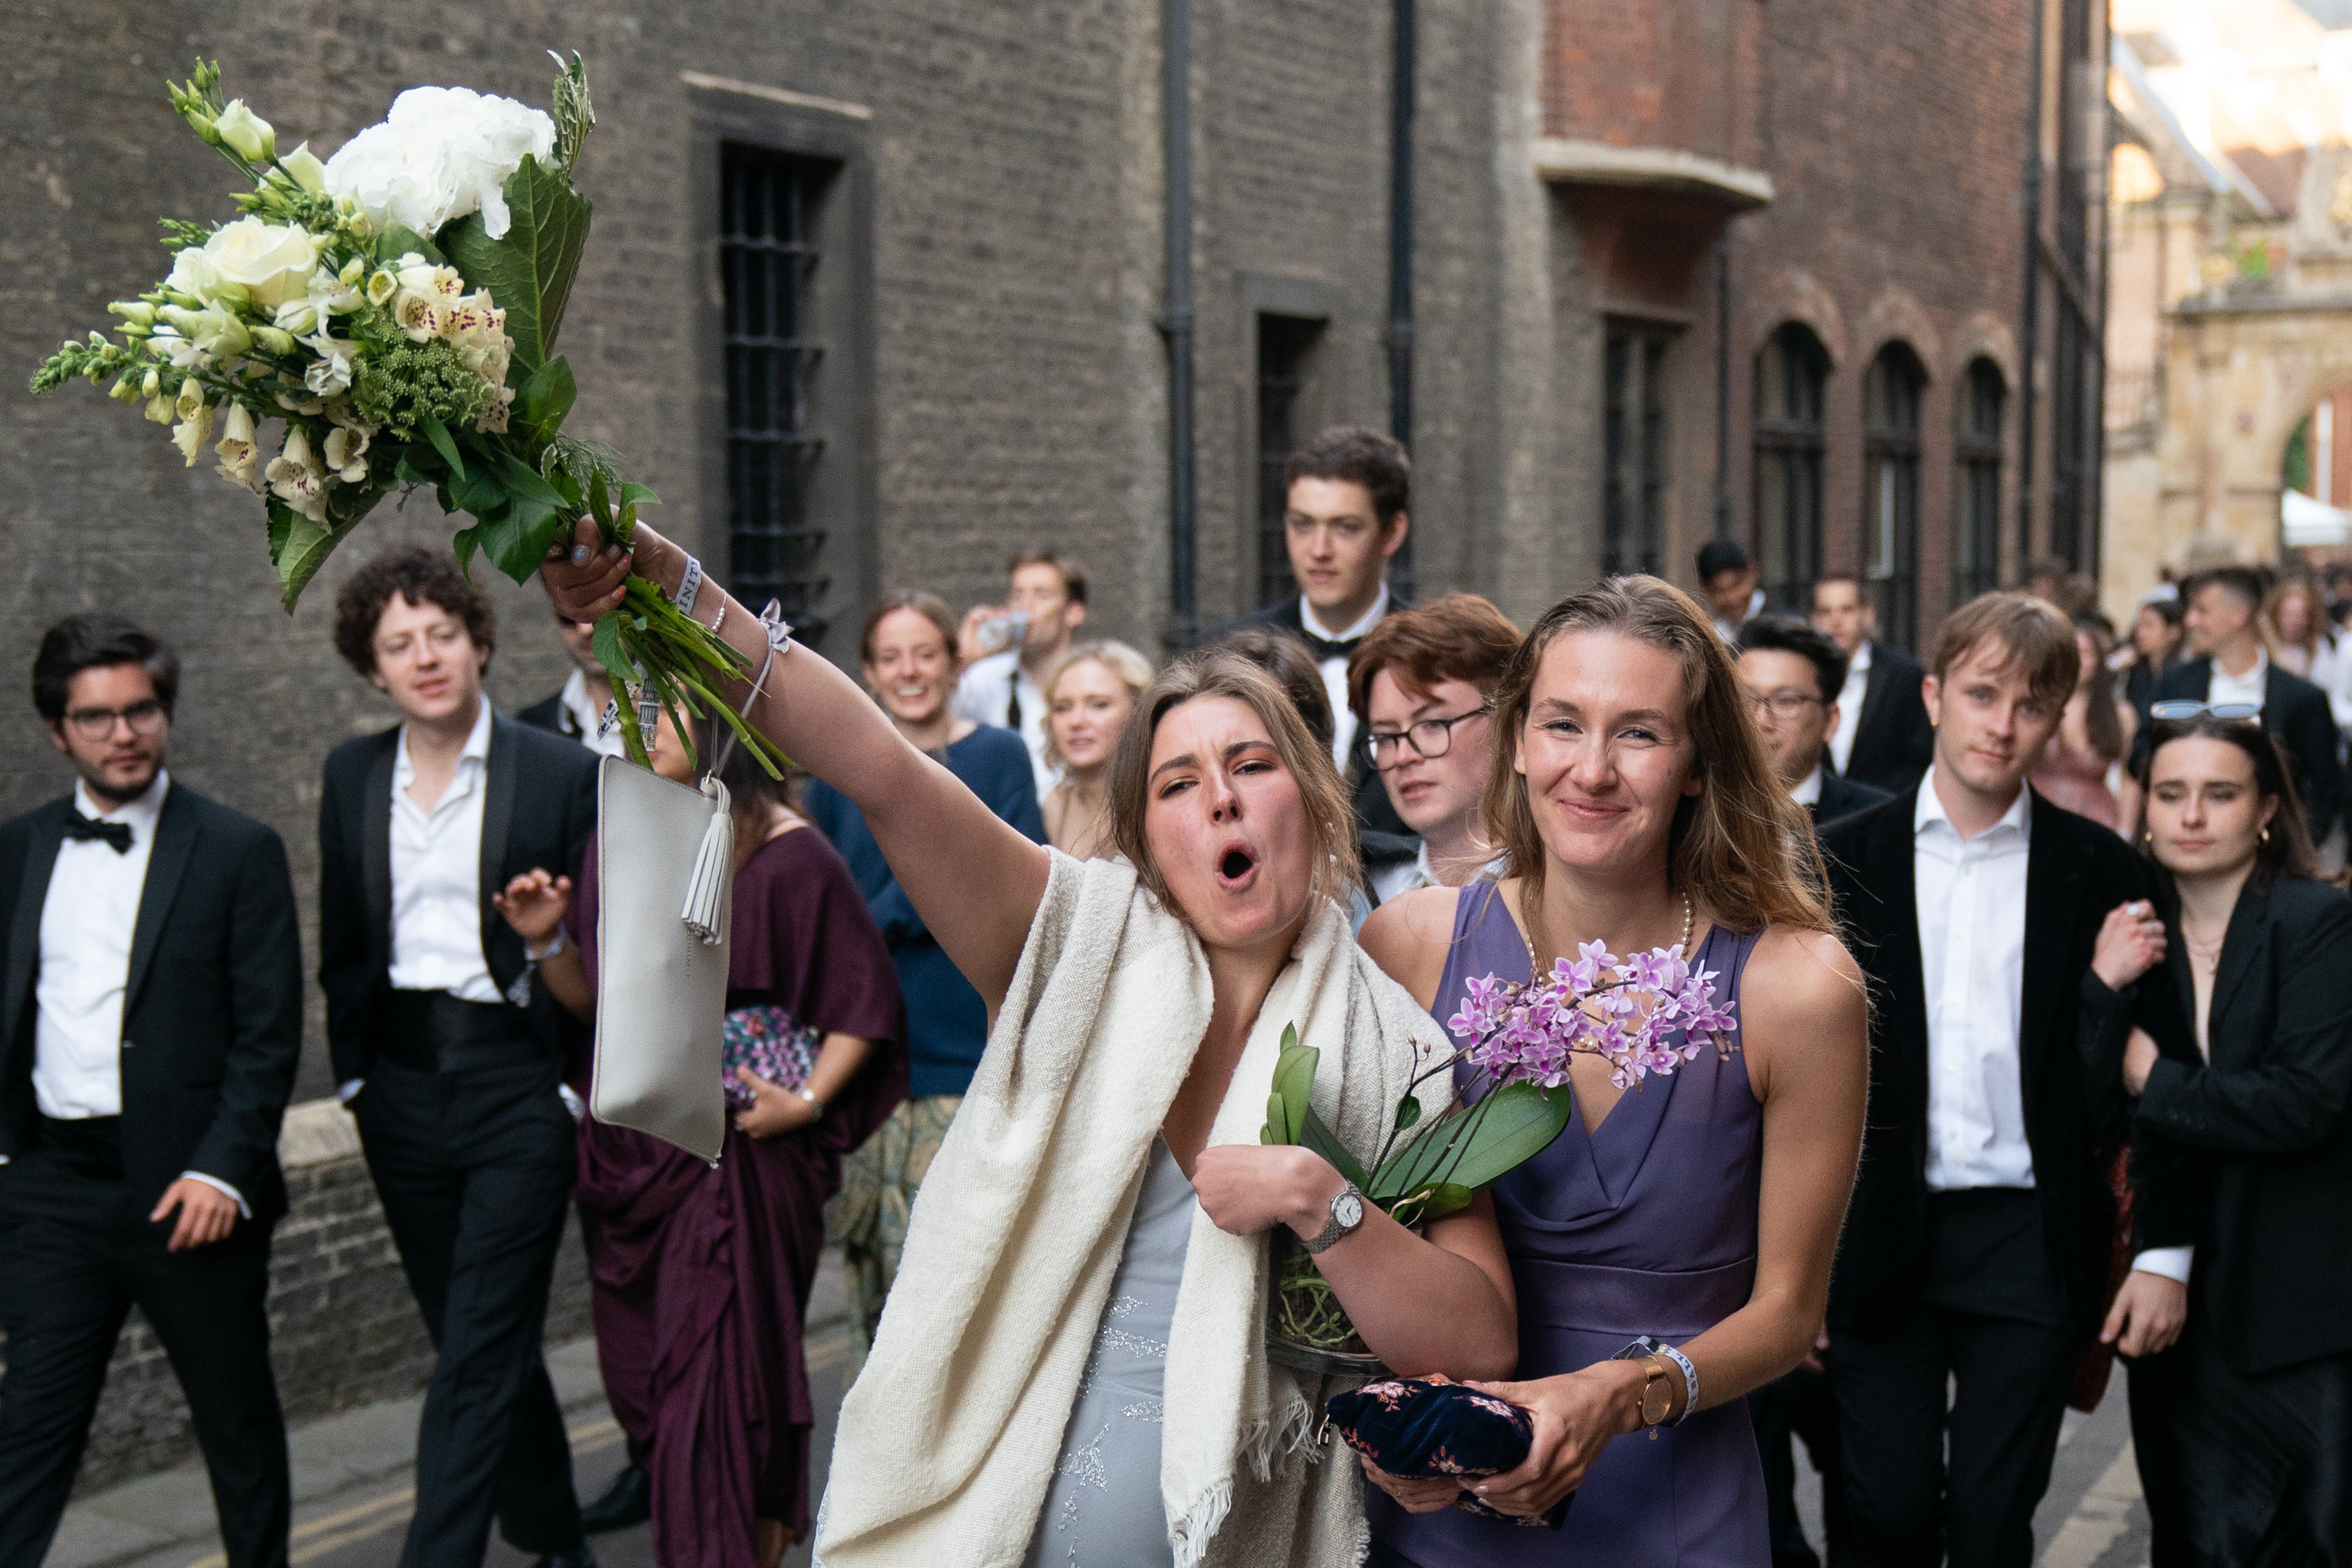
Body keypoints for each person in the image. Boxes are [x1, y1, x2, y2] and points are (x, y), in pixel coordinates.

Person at [541, 517, 1521, 1568]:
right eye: (1177, 783)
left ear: (1322, 806)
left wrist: (1320, 1200)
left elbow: (1479, 1341)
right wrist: (675, 585)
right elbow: (874, 763)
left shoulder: (1394, 1048)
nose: (1220, 796)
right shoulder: (1073, 943)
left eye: (1251, 763)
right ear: (1147, 842)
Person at [1353, 575, 1870, 1566]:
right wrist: (1388, 1426)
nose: (1590, 770)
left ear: (1696, 763)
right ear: (1515, 738)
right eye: (1561, 724)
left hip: (1675, 1506)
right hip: (1445, 1509)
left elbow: (1788, 1311)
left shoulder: (1797, 986)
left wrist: (1612, 1395)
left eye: (1637, 732)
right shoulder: (1408, 944)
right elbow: (1371, 1242)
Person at [495, 735, 908, 1568]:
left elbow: (862, 1003)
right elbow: (592, 1007)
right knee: (652, 1390)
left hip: (744, 1155)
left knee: (728, 1397)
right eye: (633, 703)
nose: (641, 720)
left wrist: (809, 1100)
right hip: (638, 1148)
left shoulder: (794, 857)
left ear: (721, 717)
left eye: (665, 701)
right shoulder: (619, 841)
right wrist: (547, 943)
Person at [1818, 592, 2153, 1568]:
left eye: (2030, 704)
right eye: (1981, 693)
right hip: (1879, 1224)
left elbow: (2115, 1086)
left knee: (1992, 1516)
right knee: (1881, 1507)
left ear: (2056, 720)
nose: (2001, 724)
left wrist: (2098, 989)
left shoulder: (2098, 869)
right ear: (1932, 696)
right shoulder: (1841, 862)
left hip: (2028, 1232)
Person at [318, 546, 600, 1568]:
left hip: (516, 1085)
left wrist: (548, 947)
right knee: (479, 1339)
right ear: (374, 670)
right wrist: (354, 1080)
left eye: (441, 632)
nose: (425, 656)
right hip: (396, 1085)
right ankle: (558, 1535)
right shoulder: (350, 775)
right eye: (399, 643)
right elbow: (343, 945)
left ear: (478, 642)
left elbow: (599, 966)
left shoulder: (561, 772)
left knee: (477, 1348)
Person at [0, 614, 301, 1568]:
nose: (122, 733)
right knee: (28, 1432)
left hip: (188, 1192)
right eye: (96, 718)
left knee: (237, 1429)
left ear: (164, 712)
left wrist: (223, 1169)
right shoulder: (15, 850)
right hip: (51, 1191)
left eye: (139, 710)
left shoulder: (237, 847)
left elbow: (270, 1032)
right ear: (60, 730)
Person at [2081, 714, 2352, 1567]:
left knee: (2316, 1537)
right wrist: (2099, 987)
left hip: (2305, 1304)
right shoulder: (2127, 930)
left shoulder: (2316, 922)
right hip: (2178, 1311)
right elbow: (2080, 1107)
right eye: (2171, 792)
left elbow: (2304, 1102)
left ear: (2267, 807)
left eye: (2221, 793)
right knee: (2197, 1540)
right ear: (2147, 806)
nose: (2193, 814)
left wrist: (2154, 1081)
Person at [805, 590, 1043, 1360]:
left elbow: (1017, 893)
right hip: (867, 1064)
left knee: (958, 1292)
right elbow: (828, 917)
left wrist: (885, 913)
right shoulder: (834, 779)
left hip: (964, 1057)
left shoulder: (997, 756)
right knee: (876, 1285)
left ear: (954, 662)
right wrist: (917, 889)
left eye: (925, 653)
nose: (909, 671)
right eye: (891, 657)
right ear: (868, 675)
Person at [1219, 425, 1416, 836]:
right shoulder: (1223, 657)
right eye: (1303, 525)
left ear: (1392, 533)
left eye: (1345, 527)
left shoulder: (1439, 662)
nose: (1319, 550)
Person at [2131, 566, 2343, 846]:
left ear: (2239, 614)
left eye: (2202, 611)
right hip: (2185, 845)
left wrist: (2293, 849)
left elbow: (2323, 787)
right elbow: (2140, 756)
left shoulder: (2301, 698)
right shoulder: (2176, 683)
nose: (2191, 621)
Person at [1345, 593, 1520, 903]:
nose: (1403, 757)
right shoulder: (1361, 899)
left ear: (1507, 724)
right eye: (1386, 737)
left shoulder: (1570, 887)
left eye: (1433, 725)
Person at [954, 550, 1090, 797]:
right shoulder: (984, 677)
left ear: (1074, 612)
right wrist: (962, 662)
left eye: (1042, 595)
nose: (1025, 607)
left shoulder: (1093, 681)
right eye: (1017, 595)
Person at [1737, 612, 1891, 828]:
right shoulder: (1693, 812)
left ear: (1830, 721)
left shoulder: (1879, 819)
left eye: (1785, 701)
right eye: (1745, 699)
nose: (1761, 720)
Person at [1811, 571, 1935, 794]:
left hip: (1884, 812)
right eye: (1825, 612)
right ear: (1814, 620)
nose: (1836, 621)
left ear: (1868, 615)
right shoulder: (1803, 677)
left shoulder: (1904, 675)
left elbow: (1920, 758)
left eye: (1847, 610)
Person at [1039, 639, 1153, 860]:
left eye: (1099, 705)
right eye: (1062, 708)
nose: (1076, 721)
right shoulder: (1055, 804)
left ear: (1138, 711)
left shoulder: (1159, 802)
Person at [2028, 616, 2128, 831]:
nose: (2077, 661)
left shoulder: (2120, 713)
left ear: (2098, 660)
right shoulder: (2033, 707)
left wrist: (2126, 833)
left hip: (2097, 824)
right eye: (2070, 654)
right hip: (2038, 820)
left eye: (2086, 653)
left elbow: (2129, 779)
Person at [518, 613, 626, 757]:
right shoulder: (533, 727)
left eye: (602, 614)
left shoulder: (665, 715)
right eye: (568, 618)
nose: (585, 630)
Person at [2263, 573, 2352, 729]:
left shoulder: (2321, 647)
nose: (2293, 622)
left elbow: (2331, 694)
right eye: (2287, 615)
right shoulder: (2265, 648)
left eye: (2300, 615)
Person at [2118, 585, 2185, 730]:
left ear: (2173, 631)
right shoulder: (2137, 670)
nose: (2141, 634)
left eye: (2149, 626)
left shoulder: (2183, 675)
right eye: (2139, 626)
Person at [1697, 538, 1765, 643]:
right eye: (1719, 591)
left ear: (1752, 574)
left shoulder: (1781, 625)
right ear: (1705, 590)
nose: (1732, 599)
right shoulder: (1713, 636)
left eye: (1737, 585)